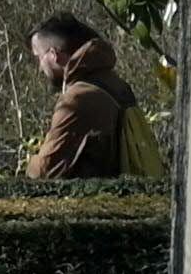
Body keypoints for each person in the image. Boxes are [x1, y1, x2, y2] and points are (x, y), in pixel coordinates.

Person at [28, 15, 159, 179]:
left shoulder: (77, 99)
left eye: (39, 57)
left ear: (54, 55)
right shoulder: (116, 84)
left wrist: (31, 163)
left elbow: (46, 170)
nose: (40, 68)